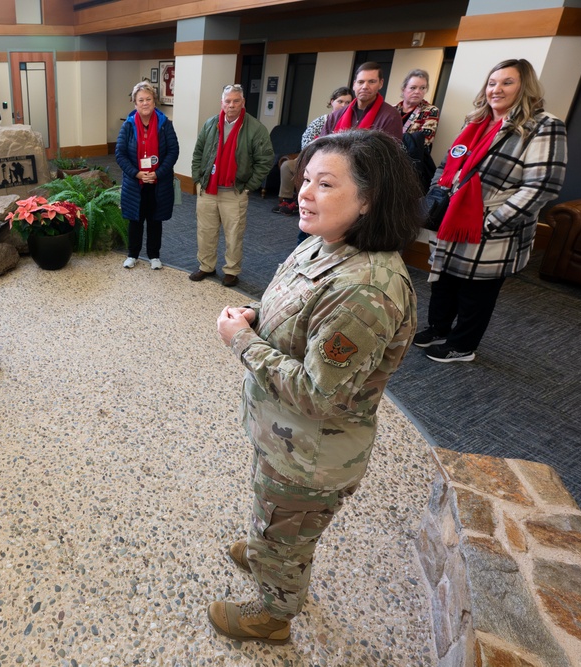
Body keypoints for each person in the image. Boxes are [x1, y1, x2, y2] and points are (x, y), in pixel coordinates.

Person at [209, 129, 420, 644]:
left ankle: (272, 614)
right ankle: (266, 546)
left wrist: (240, 340)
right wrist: (257, 316)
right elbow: (296, 315)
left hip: (311, 450)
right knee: (275, 511)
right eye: (306, 179)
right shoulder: (326, 245)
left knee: (289, 535)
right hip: (284, 434)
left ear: (369, 200)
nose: (304, 192)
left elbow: (317, 393)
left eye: (325, 184)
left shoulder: (365, 289)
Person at [414, 58, 567, 362]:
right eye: (492, 82)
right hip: (454, 219)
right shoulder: (475, 122)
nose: (496, 89)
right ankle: (439, 328)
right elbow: (446, 165)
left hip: (493, 225)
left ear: (525, 87)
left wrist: (491, 223)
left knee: (476, 291)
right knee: (444, 280)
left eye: (507, 82)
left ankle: (462, 345)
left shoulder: (544, 126)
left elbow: (542, 186)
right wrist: (437, 194)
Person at [191, 84, 274, 287]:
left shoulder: (255, 128)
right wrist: (197, 179)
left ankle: (231, 270)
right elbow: (198, 153)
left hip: (234, 191)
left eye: (236, 101)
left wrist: (249, 186)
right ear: (222, 103)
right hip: (208, 189)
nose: (231, 105)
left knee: (233, 235)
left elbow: (265, 160)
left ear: (243, 102)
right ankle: (206, 266)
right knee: (205, 231)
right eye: (228, 101)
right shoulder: (211, 124)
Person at [116, 81, 179, 270]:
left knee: (155, 219)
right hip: (135, 182)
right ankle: (132, 254)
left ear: (154, 102)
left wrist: (156, 173)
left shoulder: (164, 124)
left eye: (148, 99)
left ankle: (154, 256)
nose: (145, 103)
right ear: (134, 103)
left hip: (159, 182)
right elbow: (120, 153)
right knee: (135, 220)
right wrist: (138, 174)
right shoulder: (128, 126)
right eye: (141, 100)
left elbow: (173, 151)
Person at [271, 86, 354, 217]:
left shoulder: (353, 122)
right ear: (332, 102)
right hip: (311, 157)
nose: (344, 105)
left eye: (348, 102)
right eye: (340, 101)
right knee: (287, 166)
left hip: (339, 163)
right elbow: (307, 140)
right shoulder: (322, 121)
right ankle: (287, 201)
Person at [323, 62, 402, 141]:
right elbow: (322, 148)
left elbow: (390, 152)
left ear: (381, 84)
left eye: (371, 82)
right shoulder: (336, 116)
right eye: (360, 82)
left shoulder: (391, 116)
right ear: (354, 85)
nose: (365, 87)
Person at [396, 69, 441, 194]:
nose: (417, 92)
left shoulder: (430, 110)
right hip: (388, 160)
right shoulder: (392, 109)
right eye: (413, 87)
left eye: (422, 88)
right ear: (404, 89)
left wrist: (395, 140)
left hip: (411, 164)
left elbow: (425, 139)